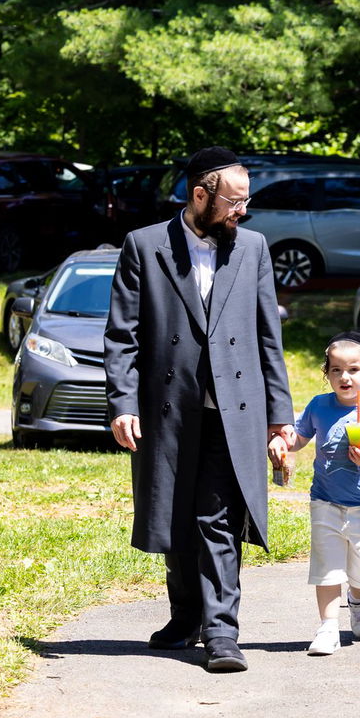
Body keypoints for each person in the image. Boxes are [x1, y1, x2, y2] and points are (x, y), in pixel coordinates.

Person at [105, 146, 295, 674]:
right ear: (200, 195)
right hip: (168, 409)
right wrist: (122, 403)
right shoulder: (144, 246)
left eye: (246, 199)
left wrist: (279, 418)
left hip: (234, 410)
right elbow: (123, 335)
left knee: (217, 518)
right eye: (234, 201)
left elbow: (268, 338)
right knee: (174, 514)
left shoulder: (253, 247)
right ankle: (185, 616)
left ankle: (221, 633)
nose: (242, 210)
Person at [274, 332, 360, 655]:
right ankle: (328, 627)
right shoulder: (319, 406)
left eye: (352, 371)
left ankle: (358, 598)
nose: (344, 377)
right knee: (327, 565)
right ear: (326, 373)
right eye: (336, 370)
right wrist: (282, 443)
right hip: (325, 501)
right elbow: (300, 438)